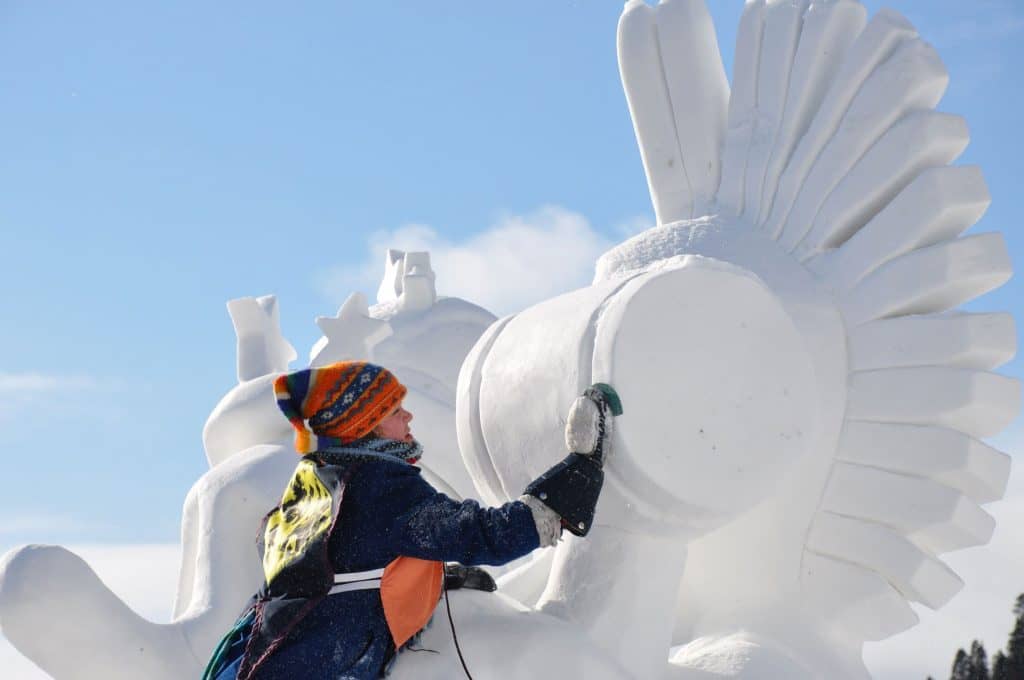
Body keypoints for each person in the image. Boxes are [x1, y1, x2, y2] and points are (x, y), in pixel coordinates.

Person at [203, 360, 618, 680]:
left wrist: (429, 577)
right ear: (364, 424)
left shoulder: (315, 486)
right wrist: (574, 479)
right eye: (394, 409)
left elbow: (348, 563)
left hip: (254, 661)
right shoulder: (378, 483)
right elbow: (486, 534)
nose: (408, 418)